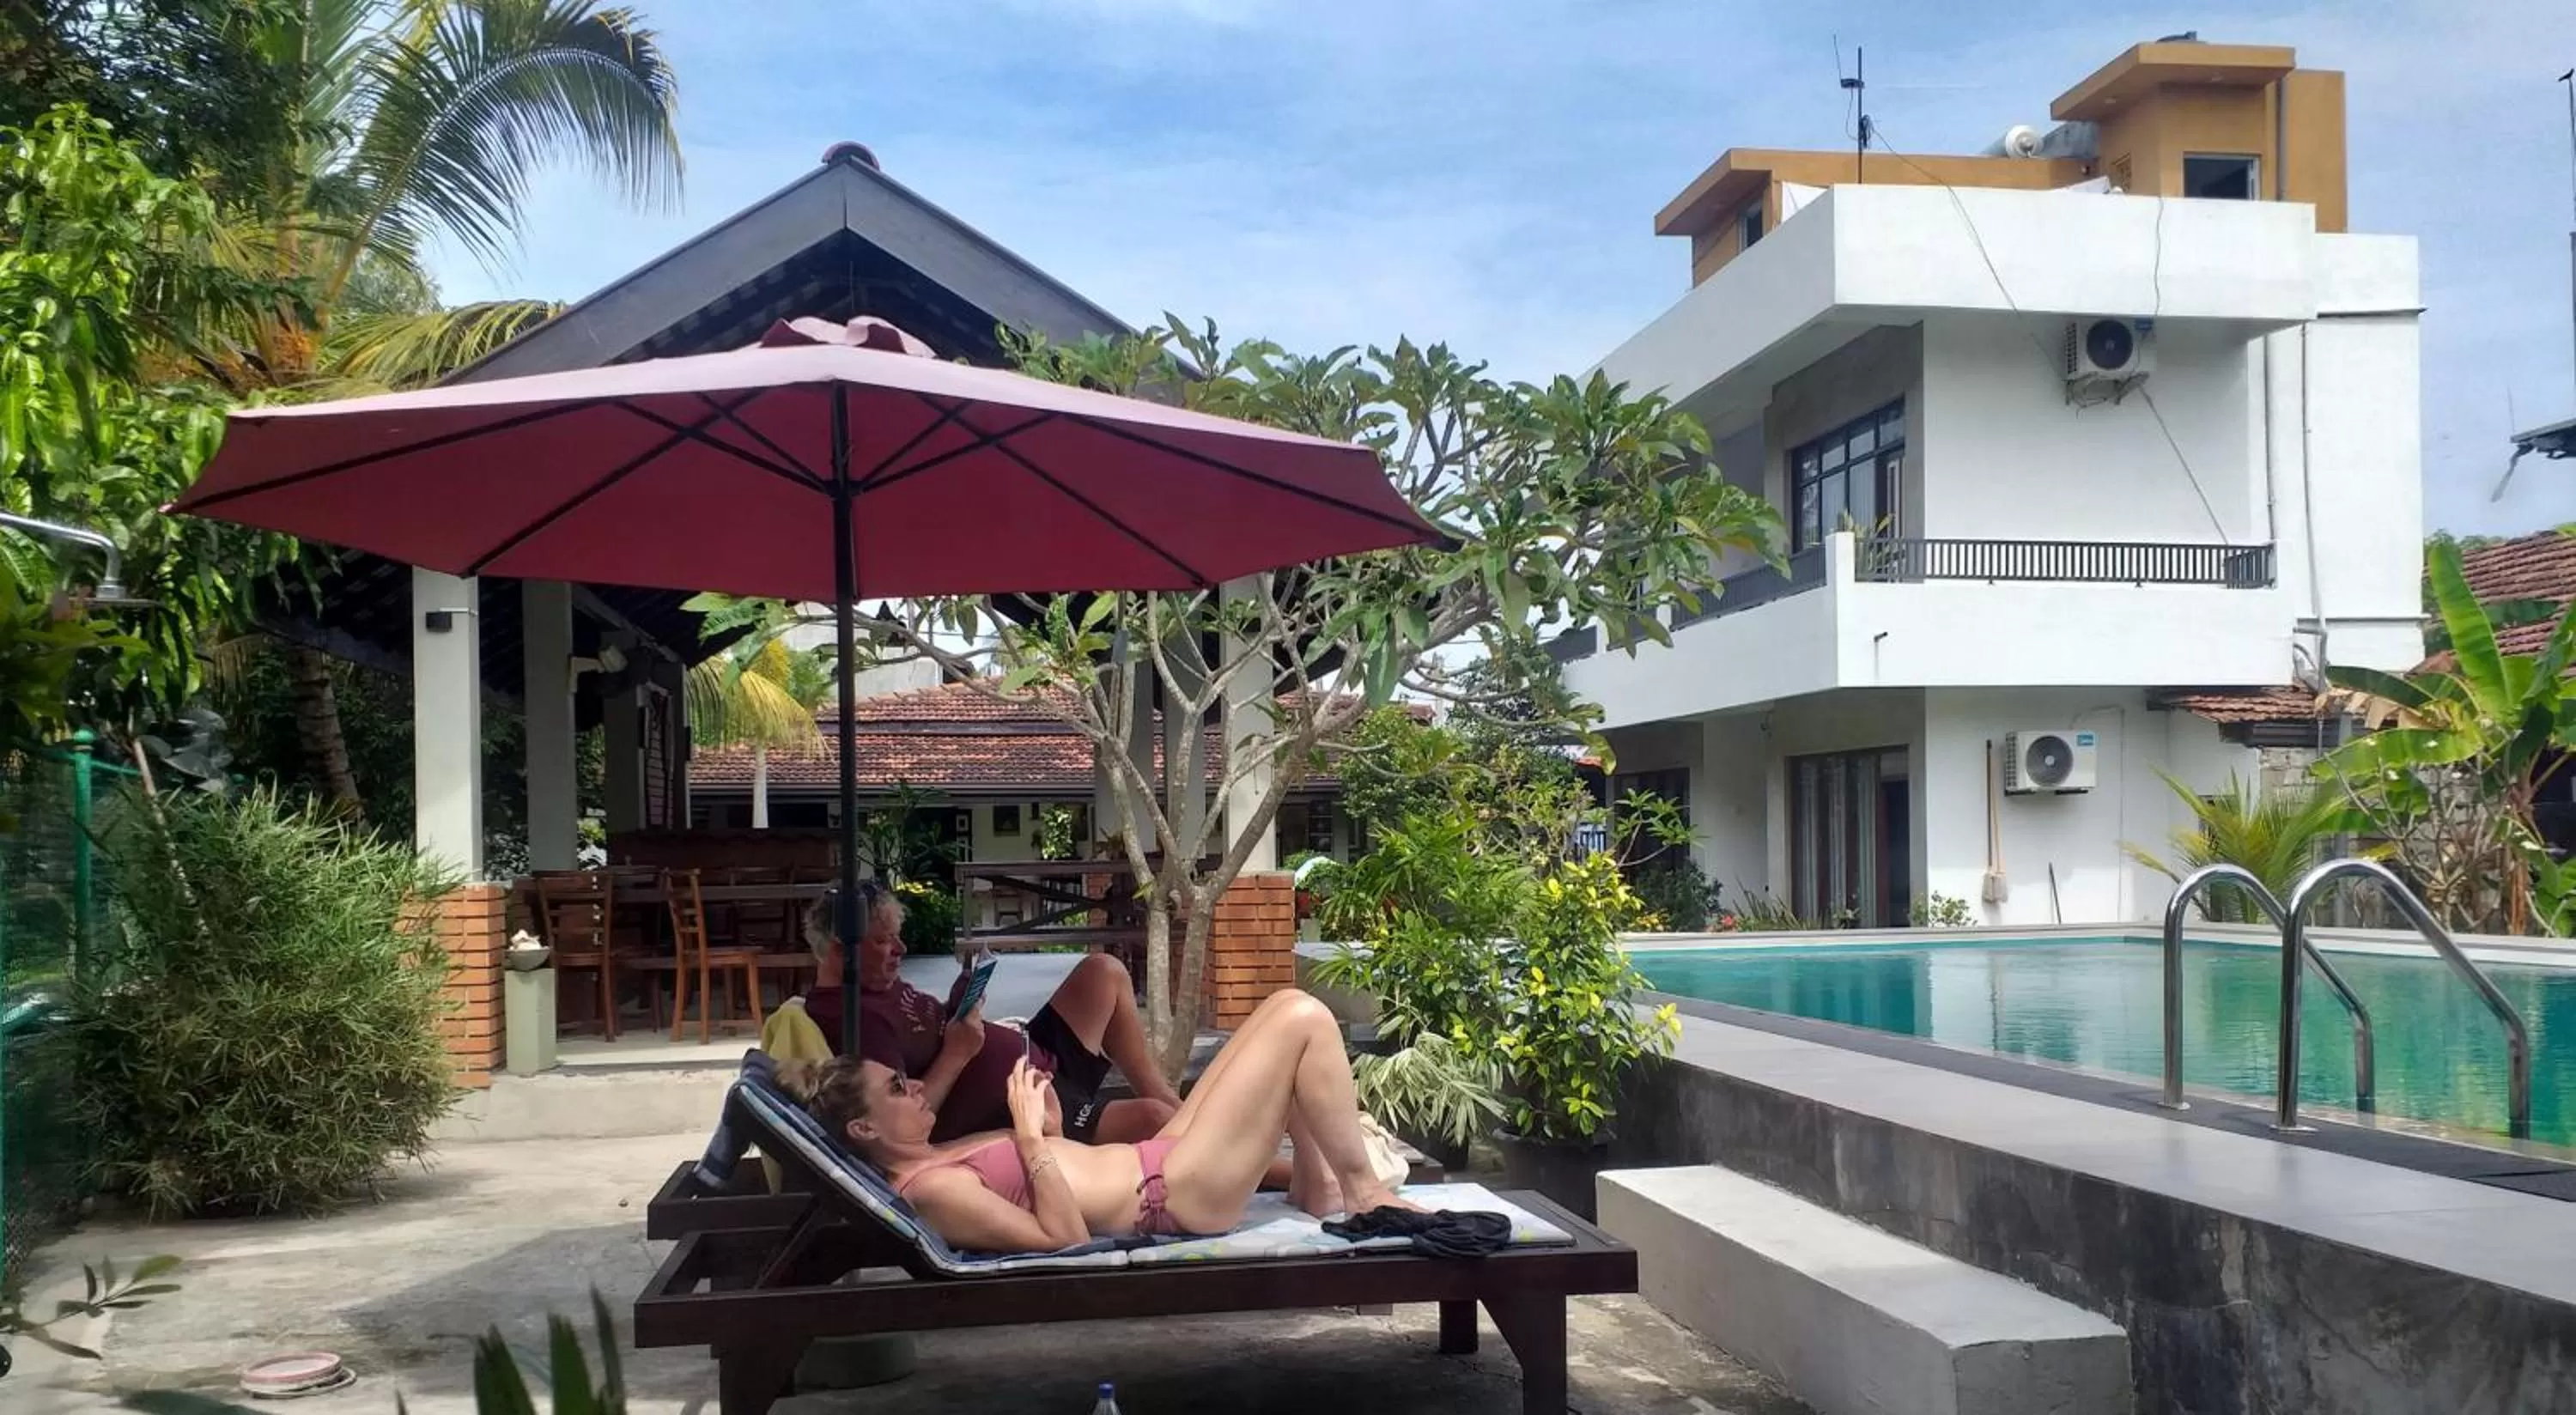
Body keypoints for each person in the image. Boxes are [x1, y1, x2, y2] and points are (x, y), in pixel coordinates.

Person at [785, 988, 1416, 1249]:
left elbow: (1050, 1174)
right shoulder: (932, 1190)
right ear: (864, 1130)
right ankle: (1361, 1193)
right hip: (1174, 1194)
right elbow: (1064, 1243)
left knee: (1280, 1004)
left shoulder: (940, 1157)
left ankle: (1316, 1187)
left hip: (1160, 1161)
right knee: (1303, 1018)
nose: (916, 1085)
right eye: (897, 1088)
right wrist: (1030, 1139)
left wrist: (1049, 1129)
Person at [801, 885, 1182, 1145]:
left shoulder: (875, 983)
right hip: (1017, 1106)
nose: (900, 948)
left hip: (1035, 1061)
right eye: (883, 941)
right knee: (1154, 1120)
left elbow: (926, 1039)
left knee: (1104, 974)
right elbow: (902, 1124)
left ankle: (1179, 1108)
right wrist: (957, 1053)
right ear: (840, 951)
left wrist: (957, 1007)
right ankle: (1194, 1135)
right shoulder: (855, 1018)